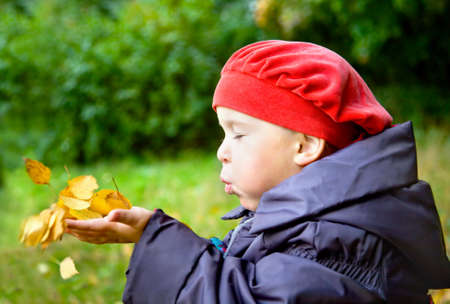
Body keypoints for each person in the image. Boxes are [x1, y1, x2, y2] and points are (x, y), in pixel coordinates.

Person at [65, 40, 450, 303]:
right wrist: (150, 233)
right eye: (223, 134)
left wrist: (162, 241)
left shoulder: (341, 243)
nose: (222, 151)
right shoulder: (310, 221)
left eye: (239, 133)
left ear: (305, 145)